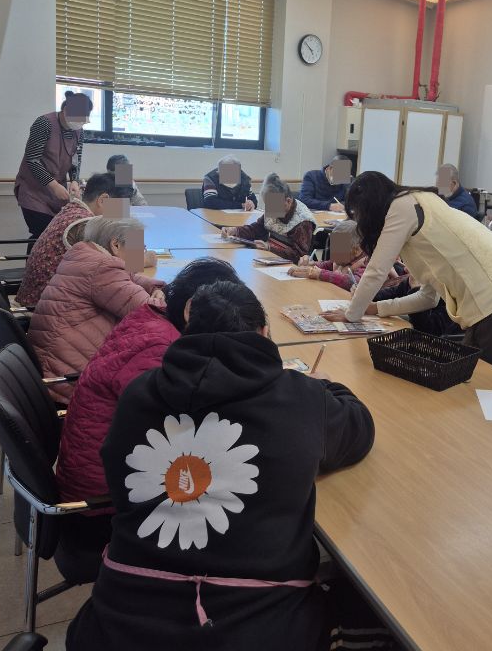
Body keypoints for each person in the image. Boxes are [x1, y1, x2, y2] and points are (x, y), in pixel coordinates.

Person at [66, 280, 376, 651]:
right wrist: (326, 387)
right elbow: (360, 429)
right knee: (372, 607)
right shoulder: (301, 397)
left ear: (186, 326)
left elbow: (119, 481)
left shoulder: (138, 393)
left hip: (118, 623)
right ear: (264, 334)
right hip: (255, 625)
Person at [55, 258, 243, 565]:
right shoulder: (160, 351)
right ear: (190, 309)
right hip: (105, 507)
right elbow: (187, 432)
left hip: (99, 477)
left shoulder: (150, 320)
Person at [321, 171, 492, 378]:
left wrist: (352, 314)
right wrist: (376, 308)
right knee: (474, 387)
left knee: (481, 390)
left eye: (359, 215)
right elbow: (428, 298)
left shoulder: (401, 207)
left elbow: (376, 271)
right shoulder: (421, 206)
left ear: (371, 209)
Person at [28, 216, 165, 402]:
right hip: (72, 380)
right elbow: (151, 313)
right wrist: (162, 297)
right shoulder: (104, 268)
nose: (142, 252)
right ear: (115, 245)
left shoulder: (85, 255)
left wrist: (156, 287)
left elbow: (128, 277)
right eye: (140, 246)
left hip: (52, 362)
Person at [16, 172, 128, 307]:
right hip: (48, 306)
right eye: (121, 208)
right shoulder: (86, 224)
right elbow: (121, 263)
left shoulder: (72, 209)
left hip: (39, 297)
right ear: (103, 200)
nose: (122, 215)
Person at [14, 90, 90, 238]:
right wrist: (54, 185)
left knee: (54, 235)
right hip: (33, 192)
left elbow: (76, 158)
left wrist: (74, 180)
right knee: (41, 235)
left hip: (56, 194)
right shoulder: (44, 123)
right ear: (66, 110)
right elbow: (32, 159)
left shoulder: (79, 131)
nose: (80, 123)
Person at [288, 220, 408, 291]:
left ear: (356, 250)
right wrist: (310, 265)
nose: (335, 253)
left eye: (339, 249)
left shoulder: (369, 261)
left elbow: (353, 283)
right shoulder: (345, 257)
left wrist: (320, 273)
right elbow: (329, 264)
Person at [222, 174, 315, 263]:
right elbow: (256, 229)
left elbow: (298, 255)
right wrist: (235, 230)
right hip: (269, 257)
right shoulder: (274, 205)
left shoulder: (303, 222)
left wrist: (270, 248)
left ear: (288, 201)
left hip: (288, 265)